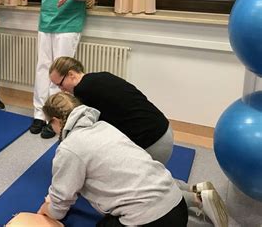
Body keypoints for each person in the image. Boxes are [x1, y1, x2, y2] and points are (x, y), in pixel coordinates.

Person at [48, 56, 229, 227]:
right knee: (147, 175)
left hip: (151, 140)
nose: (62, 90)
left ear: (71, 74)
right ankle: (195, 189)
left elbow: (83, 150)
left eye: (61, 84)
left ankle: (197, 200)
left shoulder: (83, 92)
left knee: (135, 179)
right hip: (162, 129)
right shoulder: (100, 77)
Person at [37, 92, 188, 226]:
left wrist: (46, 209)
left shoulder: (69, 147)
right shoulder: (105, 126)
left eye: (50, 123)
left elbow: (59, 207)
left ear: (56, 121)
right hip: (178, 204)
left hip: (152, 220)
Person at [17, 0, 98, 139]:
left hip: (68, 23)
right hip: (46, 22)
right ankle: (39, 114)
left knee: (60, 73)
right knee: (42, 67)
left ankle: (56, 116)